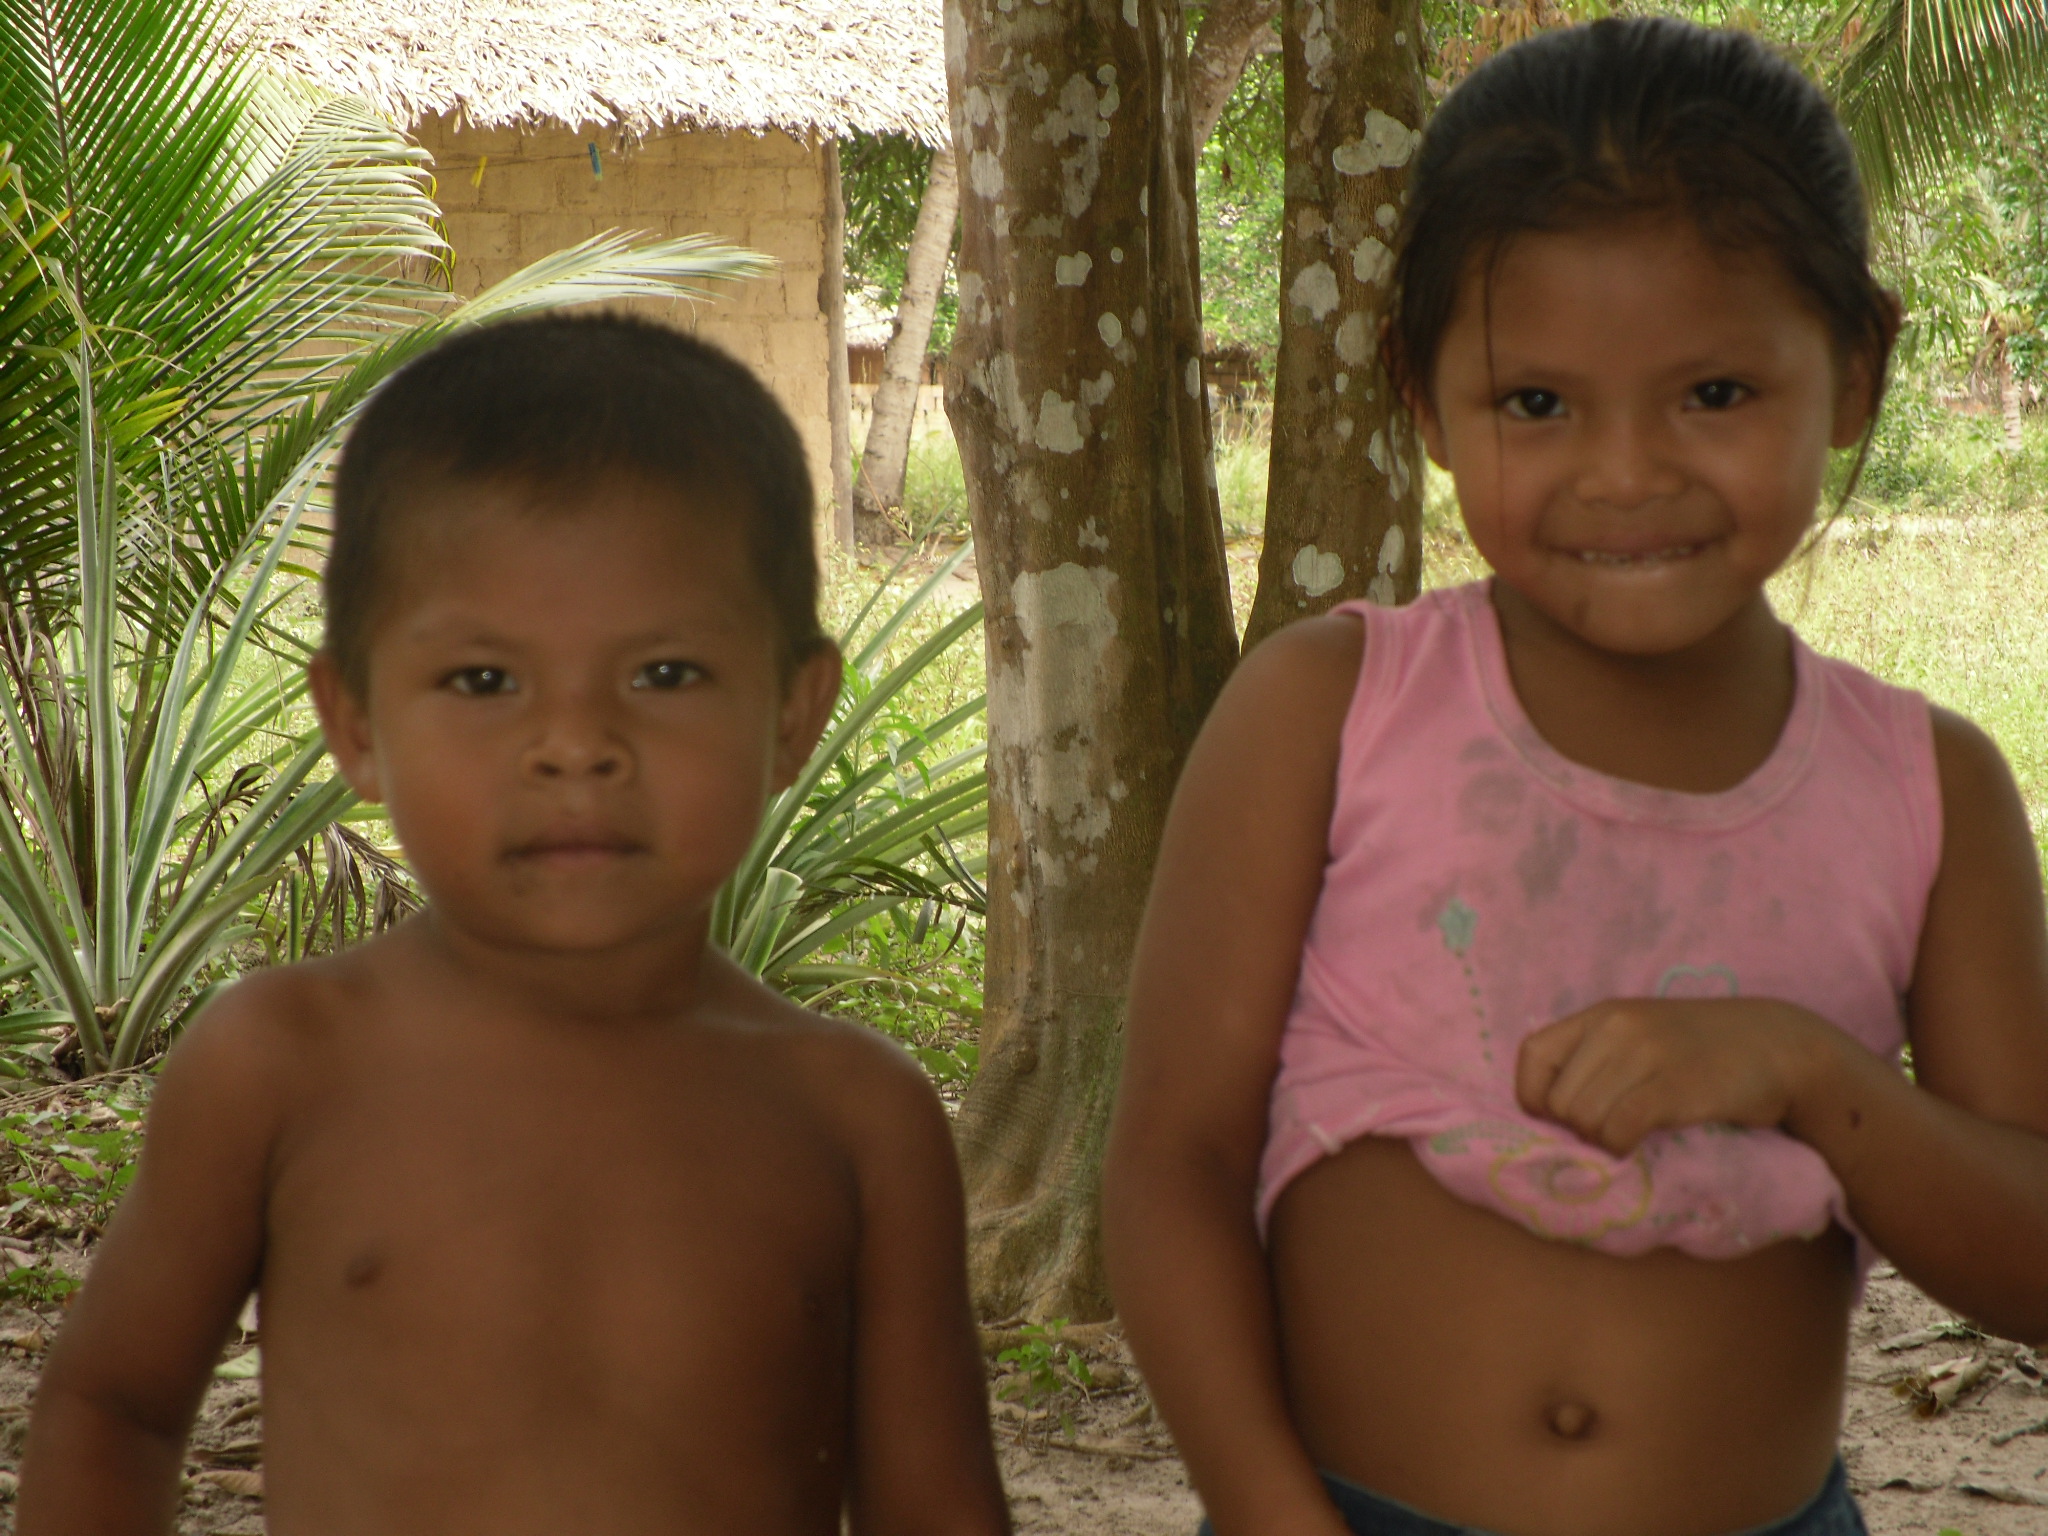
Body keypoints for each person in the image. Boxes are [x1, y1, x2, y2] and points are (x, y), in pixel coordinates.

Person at [1103, 18, 2048, 1536]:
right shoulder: (1331, 714)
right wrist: (1274, 1519)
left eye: (1716, 395)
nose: (1625, 472)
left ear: (1857, 372)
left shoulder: (1933, 792)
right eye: (1536, 404)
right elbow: (1172, 1166)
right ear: (1424, 401)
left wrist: (1810, 1074)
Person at [18, 317, 1011, 1536]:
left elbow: (938, 1508)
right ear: (356, 722)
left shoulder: (855, 1115)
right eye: (485, 682)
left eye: (665, 674)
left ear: (796, 711)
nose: (575, 744)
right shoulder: (279, 1063)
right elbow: (111, 1412)